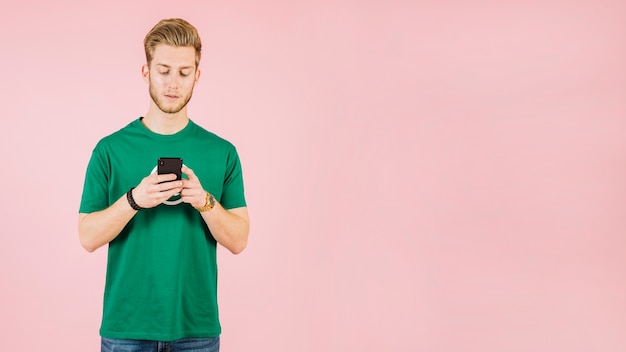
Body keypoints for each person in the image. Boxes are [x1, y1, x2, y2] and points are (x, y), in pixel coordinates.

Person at [78, 18, 249, 352]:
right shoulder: (110, 150)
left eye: (184, 73)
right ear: (146, 72)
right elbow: (87, 236)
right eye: (164, 70)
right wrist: (134, 199)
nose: (173, 83)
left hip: (196, 328)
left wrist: (205, 203)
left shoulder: (222, 152)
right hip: (127, 327)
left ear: (197, 77)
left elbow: (239, 240)